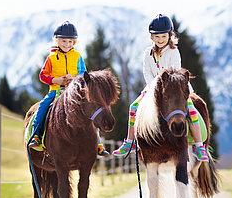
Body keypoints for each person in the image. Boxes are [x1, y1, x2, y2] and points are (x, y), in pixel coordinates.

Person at [112, 14, 209, 161]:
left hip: (175, 89)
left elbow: (175, 72)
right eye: (156, 37)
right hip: (153, 89)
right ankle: (130, 142)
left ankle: (199, 145)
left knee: (192, 110)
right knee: (133, 107)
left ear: (169, 35)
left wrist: (165, 87)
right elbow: (147, 71)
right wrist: (153, 87)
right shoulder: (147, 54)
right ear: (152, 37)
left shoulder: (173, 52)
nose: (160, 40)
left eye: (163, 36)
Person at [29, 21, 109, 156]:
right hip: (55, 91)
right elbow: (42, 75)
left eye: (70, 42)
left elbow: (84, 74)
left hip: (74, 93)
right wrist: (56, 80)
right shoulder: (52, 58)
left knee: (90, 109)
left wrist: (74, 78)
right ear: (57, 41)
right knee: (43, 107)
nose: (67, 44)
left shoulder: (77, 56)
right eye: (64, 41)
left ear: (74, 42)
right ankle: (36, 135)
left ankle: (97, 143)